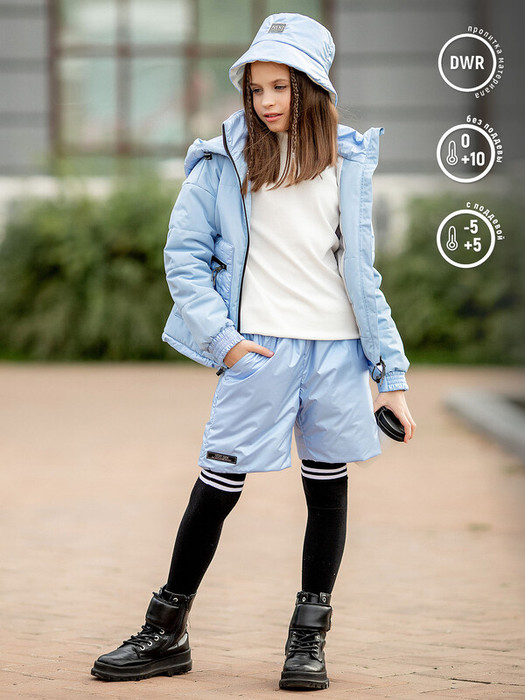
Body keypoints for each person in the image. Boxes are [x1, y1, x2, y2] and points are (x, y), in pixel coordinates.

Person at [91, 12, 416, 691]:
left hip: (336, 352)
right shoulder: (222, 159)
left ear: (312, 87)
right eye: (255, 88)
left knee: (326, 490)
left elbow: (362, 274)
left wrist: (391, 376)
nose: (265, 101)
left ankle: (308, 642)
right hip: (257, 350)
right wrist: (226, 343)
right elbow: (184, 260)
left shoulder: (349, 161)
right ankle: (166, 631)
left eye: (280, 86)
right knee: (216, 486)